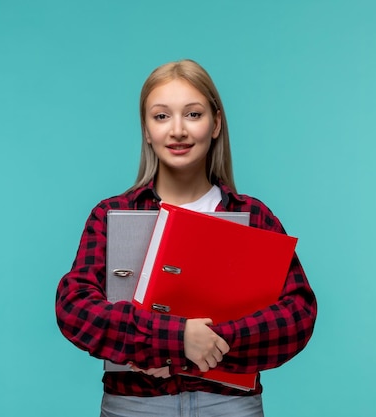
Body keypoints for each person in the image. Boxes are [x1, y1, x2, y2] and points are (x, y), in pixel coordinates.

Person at [55, 59, 317, 417]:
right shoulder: (112, 215)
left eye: (193, 114)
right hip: (135, 406)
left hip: (230, 405)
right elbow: (75, 309)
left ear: (216, 124)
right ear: (146, 130)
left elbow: (297, 315)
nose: (177, 130)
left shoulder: (255, 217)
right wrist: (175, 339)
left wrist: (198, 345)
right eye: (161, 116)